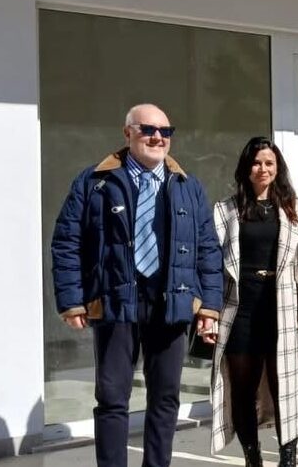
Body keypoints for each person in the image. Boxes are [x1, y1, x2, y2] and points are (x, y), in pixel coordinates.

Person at [51, 103, 223, 467]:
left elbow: (208, 249)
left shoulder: (189, 186)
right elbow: (67, 242)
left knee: (165, 398)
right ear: (127, 132)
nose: (158, 137)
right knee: (112, 398)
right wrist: (72, 300)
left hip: (171, 304)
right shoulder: (94, 182)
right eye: (148, 129)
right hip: (115, 302)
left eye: (165, 131)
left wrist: (209, 306)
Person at [208, 137, 298, 467]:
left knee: (286, 386)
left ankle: (288, 459)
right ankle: (252, 456)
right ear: (246, 168)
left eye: (269, 163)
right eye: (256, 163)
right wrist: (209, 312)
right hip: (240, 308)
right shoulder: (226, 209)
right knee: (242, 389)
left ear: (277, 168)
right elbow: (212, 265)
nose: (263, 169)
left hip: (282, 308)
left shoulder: (291, 208)